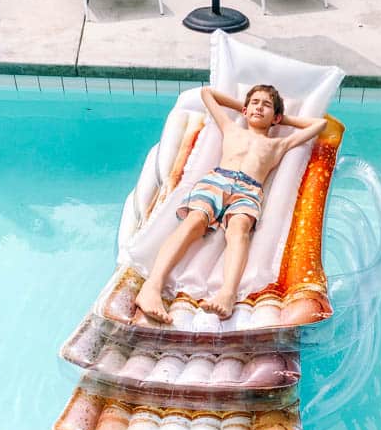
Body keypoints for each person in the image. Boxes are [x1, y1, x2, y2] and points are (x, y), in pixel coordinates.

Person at [135, 84, 327, 323]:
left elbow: (319, 125)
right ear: (246, 110)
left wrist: (282, 118)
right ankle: (152, 287)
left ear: (276, 117)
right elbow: (208, 94)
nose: (259, 107)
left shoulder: (279, 144)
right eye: (255, 102)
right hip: (217, 181)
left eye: (266, 105)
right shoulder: (231, 128)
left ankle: (227, 293)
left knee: (239, 230)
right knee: (194, 222)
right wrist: (245, 108)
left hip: (248, 191)